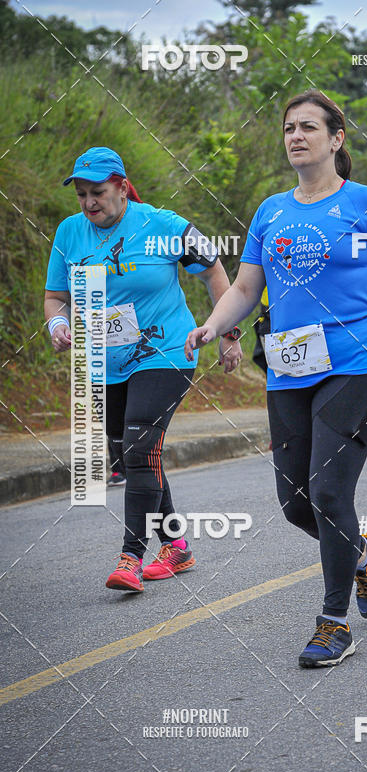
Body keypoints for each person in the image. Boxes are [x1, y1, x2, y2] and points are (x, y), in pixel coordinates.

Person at [185, 89, 367, 668]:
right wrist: (212, 325)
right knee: (295, 504)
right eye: (289, 127)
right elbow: (245, 289)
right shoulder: (271, 211)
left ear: (336, 139)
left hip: (358, 364)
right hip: (290, 370)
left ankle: (333, 622)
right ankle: (364, 553)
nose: (296, 136)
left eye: (309, 127)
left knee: (328, 492)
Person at [45, 146, 243, 592]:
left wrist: (227, 333)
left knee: (138, 445)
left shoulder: (163, 225)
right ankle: (177, 547)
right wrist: (58, 322)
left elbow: (216, 271)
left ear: (121, 186)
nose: (89, 202)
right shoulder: (69, 233)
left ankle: (130, 557)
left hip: (166, 352)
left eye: (97, 192)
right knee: (136, 452)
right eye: (81, 195)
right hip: (104, 362)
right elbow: (56, 295)